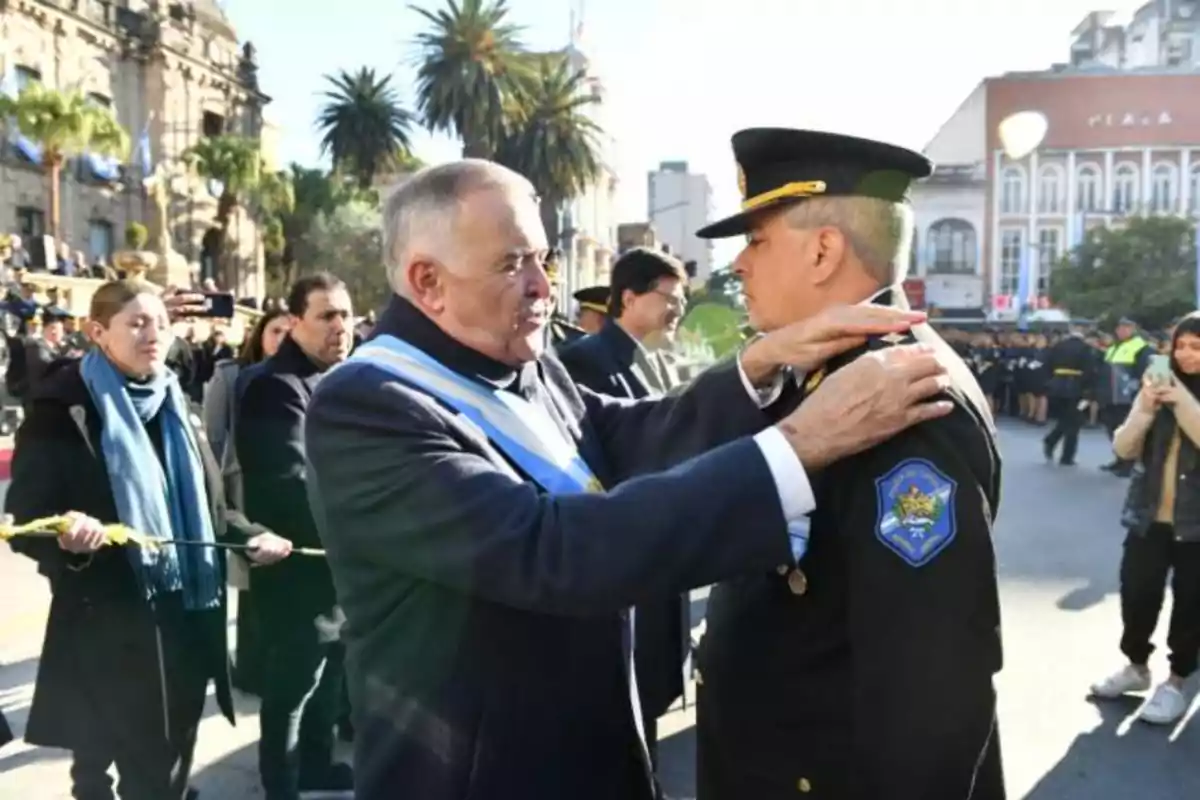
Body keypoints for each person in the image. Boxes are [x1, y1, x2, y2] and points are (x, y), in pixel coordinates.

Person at [303, 158, 955, 800]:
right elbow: (549, 551)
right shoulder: (369, 407)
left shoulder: (515, 355)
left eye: (543, 259)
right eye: (512, 264)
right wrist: (802, 443)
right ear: (428, 282)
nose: (542, 287)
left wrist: (757, 364)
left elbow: (620, 434)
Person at [691, 128, 1005, 800]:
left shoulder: (900, 398)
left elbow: (930, 692)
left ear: (824, 250)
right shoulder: (827, 371)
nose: (739, 265)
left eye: (756, 240)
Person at [4, 279, 290, 800]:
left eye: (159, 323)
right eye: (135, 323)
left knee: (169, 760)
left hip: (187, 615)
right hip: (110, 623)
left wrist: (254, 537)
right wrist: (66, 539)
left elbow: (213, 510)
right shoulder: (62, 409)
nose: (152, 335)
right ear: (98, 332)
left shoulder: (177, 404)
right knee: (131, 769)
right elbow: (26, 517)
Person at [557, 247, 691, 789]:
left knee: (648, 713)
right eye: (670, 300)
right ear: (629, 298)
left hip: (657, 565)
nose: (678, 311)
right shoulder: (587, 362)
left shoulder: (653, 357)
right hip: (624, 567)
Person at [236, 273, 355, 800]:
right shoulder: (275, 386)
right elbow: (289, 481)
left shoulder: (339, 378)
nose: (340, 327)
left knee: (330, 676)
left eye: (346, 315)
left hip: (338, 563)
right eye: (327, 316)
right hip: (298, 565)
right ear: (295, 322)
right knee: (293, 686)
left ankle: (315, 765)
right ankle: (280, 786)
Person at [1090, 312, 1200, 725]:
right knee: (1137, 593)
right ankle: (1136, 666)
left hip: (1197, 524)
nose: (1186, 355)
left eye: (1197, 347)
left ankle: (1176, 681)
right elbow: (1123, 447)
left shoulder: (1179, 393)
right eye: (1181, 346)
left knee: (1191, 606)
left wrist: (1179, 398)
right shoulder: (1158, 385)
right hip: (1148, 516)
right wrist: (1146, 406)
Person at [201, 306, 291, 695]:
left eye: (291, 331)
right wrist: (227, 483)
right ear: (260, 334)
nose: (283, 339)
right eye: (276, 331)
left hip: (288, 489)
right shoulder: (232, 375)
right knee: (252, 581)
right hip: (243, 489)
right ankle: (251, 668)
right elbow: (214, 432)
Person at [1100, 317, 1152, 476]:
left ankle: (1128, 464)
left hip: (1128, 396)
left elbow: (1145, 370)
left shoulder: (1141, 347)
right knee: (1112, 428)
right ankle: (1119, 459)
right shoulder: (1113, 347)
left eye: (1127, 327)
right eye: (1120, 327)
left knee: (1127, 430)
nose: (1122, 331)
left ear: (1133, 329)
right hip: (1111, 396)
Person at [1043, 325, 1096, 466]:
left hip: (1057, 385)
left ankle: (1052, 441)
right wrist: (1088, 390)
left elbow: (1047, 364)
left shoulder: (1058, 346)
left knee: (1066, 419)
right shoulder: (1086, 348)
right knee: (1074, 422)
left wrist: (1051, 381)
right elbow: (1089, 370)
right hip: (1075, 386)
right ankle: (1066, 456)